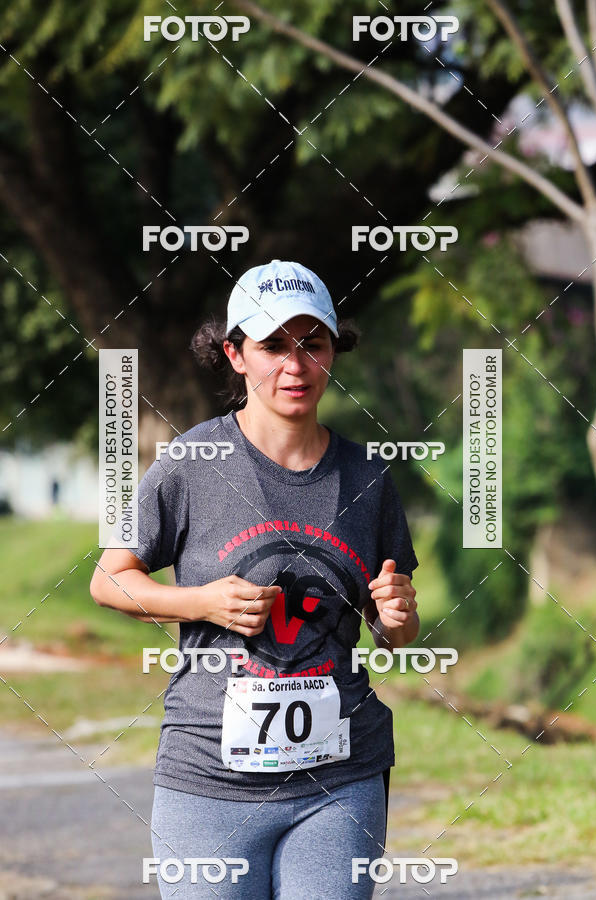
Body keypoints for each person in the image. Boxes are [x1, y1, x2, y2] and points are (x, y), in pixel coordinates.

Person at [90, 259, 419, 899]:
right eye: (273, 346)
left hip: (340, 778)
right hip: (208, 779)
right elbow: (110, 579)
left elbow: (392, 631)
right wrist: (201, 602)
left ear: (334, 351)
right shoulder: (192, 462)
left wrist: (397, 619)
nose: (295, 366)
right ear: (235, 354)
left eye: (313, 344)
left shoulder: (368, 475)